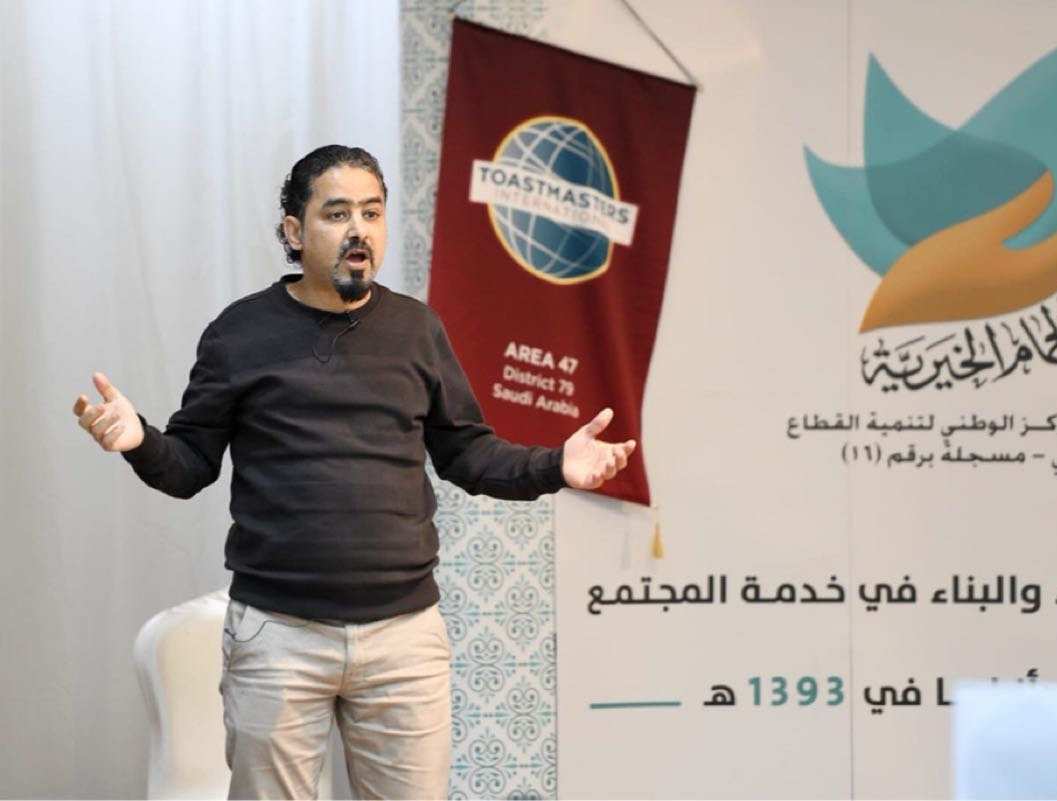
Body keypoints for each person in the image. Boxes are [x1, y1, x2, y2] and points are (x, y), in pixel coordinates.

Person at [72, 145, 635, 800]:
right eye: (337, 214)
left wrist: (556, 465)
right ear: (294, 231)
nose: (359, 229)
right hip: (277, 634)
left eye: (371, 212)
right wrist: (139, 439)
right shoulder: (238, 334)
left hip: (404, 639)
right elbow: (189, 466)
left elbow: (469, 454)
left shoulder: (417, 330)